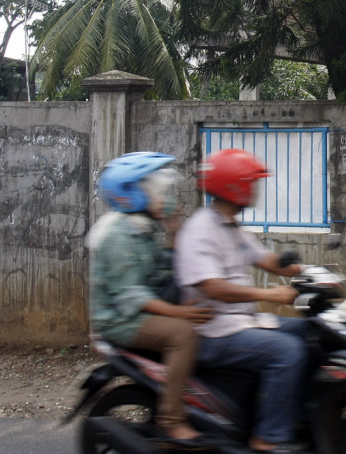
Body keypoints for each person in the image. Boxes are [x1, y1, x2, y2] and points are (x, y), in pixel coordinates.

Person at [174, 149, 306, 453]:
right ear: (235, 187)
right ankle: (268, 439)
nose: (255, 191)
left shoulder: (230, 224)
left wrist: (307, 270)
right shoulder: (200, 230)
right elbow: (213, 287)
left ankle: (297, 417)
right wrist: (270, 295)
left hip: (243, 323)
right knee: (288, 351)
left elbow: (266, 260)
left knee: (311, 333)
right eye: (251, 184)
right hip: (215, 332)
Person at [88, 152, 213, 449]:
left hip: (142, 309)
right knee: (183, 335)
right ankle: (171, 422)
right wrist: (178, 313)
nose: (163, 197)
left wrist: (174, 230)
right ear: (130, 194)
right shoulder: (119, 234)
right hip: (120, 319)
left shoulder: (142, 227)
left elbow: (165, 271)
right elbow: (134, 296)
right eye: (155, 191)